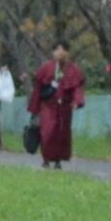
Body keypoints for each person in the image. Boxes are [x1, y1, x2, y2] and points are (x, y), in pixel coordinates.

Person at [28, 41, 84, 169]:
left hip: (64, 107)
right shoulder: (46, 67)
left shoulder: (73, 69)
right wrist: (35, 107)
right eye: (58, 49)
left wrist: (77, 101)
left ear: (68, 52)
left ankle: (58, 160)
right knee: (47, 132)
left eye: (63, 49)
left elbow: (77, 88)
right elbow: (38, 87)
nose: (60, 52)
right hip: (48, 106)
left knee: (61, 133)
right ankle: (46, 159)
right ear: (53, 52)